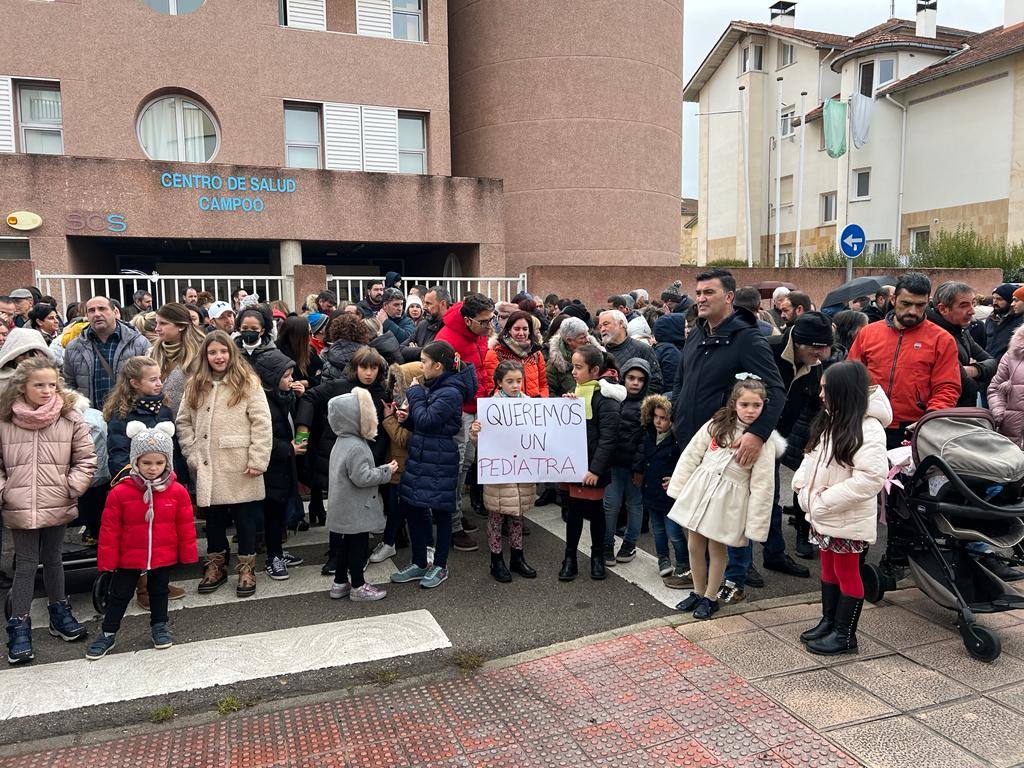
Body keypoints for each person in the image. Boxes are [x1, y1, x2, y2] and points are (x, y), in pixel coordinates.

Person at [671, 270, 785, 602]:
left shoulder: (747, 338)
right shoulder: (696, 334)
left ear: (729, 297)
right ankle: (702, 586)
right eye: (698, 292)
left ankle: (732, 583)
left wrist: (758, 435)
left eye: (709, 292)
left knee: (728, 520)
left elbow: (775, 392)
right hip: (695, 441)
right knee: (699, 521)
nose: (701, 298)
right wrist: (676, 413)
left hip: (730, 447)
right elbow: (682, 380)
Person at [2, 357, 98, 664]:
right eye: (38, 385)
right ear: (22, 386)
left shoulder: (69, 416)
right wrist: (5, 491)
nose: (46, 391)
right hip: (20, 503)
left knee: (54, 559)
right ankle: (19, 625)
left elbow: (85, 458)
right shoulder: (6, 419)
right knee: (27, 564)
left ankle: (60, 611)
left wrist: (70, 487)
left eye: (51, 385)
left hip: (57, 499)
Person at [793, 361, 890, 655]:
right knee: (828, 566)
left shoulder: (869, 429)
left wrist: (823, 501)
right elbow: (810, 458)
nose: (821, 394)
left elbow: (871, 479)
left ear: (843, 391)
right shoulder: (832, 419)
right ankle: (829, 622)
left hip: (844, 515)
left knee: (848, 571)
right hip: (824, 513)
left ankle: (845, 635)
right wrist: (801, 487)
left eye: (826, 388)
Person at [85, 422, 197, 659]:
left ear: (168, 462)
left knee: (159, 591)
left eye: (159, 462)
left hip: (162, 553)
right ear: (135, 461)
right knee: (120, 594)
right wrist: (107, 561)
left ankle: (159, 625)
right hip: (129, 556)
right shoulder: (120, 492)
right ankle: (108, 632)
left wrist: (187, 553)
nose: (153, 468)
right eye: (146, 462)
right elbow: (109, 530)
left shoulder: (176, 491)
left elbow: (185, 525)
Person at [668, 378, 776, 620]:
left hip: (728, 500)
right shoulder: (716, 424)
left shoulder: (763, 441)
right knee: (694, 544)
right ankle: (697, 591)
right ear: (734, 403)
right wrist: (679, 487)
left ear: (764, 406)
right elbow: (692, 453)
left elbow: (763, 486)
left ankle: (711, 596)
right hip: (701, 490)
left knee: (717, 548)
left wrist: (756, 524)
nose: (750, 411)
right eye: (745, 404)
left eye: (756, 405)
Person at [176, 331, 272, 598]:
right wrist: (191, 451)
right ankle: (216, 564)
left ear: (231, 353)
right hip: (207, 462)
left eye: (223, 351)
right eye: (212, 352)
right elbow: (183, 421)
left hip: (240, 461)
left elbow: (262, 423)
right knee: (214, 518)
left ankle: (246, 567)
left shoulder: (247, 382)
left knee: (245, 519)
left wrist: (258, 459)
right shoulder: (195, 383)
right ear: (205, 356)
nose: (219, 357)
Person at [297, 346, 391, 574]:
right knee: (340, 506)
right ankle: (335, 554)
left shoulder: (382, 393)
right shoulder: (340, 386)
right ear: (355, 368)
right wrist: (303, 429)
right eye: (364, 367)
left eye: (374, 367)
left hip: (369, 457)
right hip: (338, 455)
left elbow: (383, 430)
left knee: (363, 506)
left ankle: (357, 554)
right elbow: (311, 397)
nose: (369, 373)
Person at [390, 341, 476, 590]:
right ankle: (419, 562)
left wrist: (414, 395)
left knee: (440, 510)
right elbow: (425, 421)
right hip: (422, 454)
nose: (421, 367)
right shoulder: (437, 386)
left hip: (439, 458)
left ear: (438, 366)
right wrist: (407, 421)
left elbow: (428, 420)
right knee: (414, 508)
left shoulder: (450, 391)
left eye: (424, 362)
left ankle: (440, 565)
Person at [848, 272, 960, 449]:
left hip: (913, 427)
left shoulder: (941, 339)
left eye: (920, 305)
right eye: (906, 304)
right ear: (893, 299)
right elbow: (850, 376)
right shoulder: (868, 333)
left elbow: (947, 387)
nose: (912, 311)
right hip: (867, 422)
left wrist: (929, 419)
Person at [763, 312, 835, 572]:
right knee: (744, 500)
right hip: (748, 437)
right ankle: (740, 564)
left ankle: (774, 554)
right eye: (817, 351)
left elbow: (817, 405)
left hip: (777, 440)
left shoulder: (814, 366)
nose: (820, 357)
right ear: (800, 343)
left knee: (770, 498)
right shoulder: (765, 351)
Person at [435, 293, 496, 553]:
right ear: (468, 320)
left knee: (467, 462)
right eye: (485, 322)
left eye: (491, 320)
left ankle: (456, 513)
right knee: (456, 466)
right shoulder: (446, 340)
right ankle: (451, 524)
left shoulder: (477, 333)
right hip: (459, 411)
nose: (490, 326)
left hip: (477, 407)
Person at [558, 344, 623, 582]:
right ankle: (570, 558)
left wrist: (595, 469)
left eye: (578, 367)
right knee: (573, 512)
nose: (573, 372)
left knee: (596, 513)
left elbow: (609, 438)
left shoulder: (606, 399)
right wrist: (566, 407)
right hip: (575, 466)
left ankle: (597, 557)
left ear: (595, 370)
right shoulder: (576, 393)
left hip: (594, 468)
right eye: (572, 366)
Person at [325, 389, 397, 601]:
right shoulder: (356, 445)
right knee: (357, 547)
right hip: (356, 508)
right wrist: (386, 471)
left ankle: (339, 583)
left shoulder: (342, 441)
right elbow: (362, 477)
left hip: (344, 505)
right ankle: (358, 585)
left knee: (344, 546)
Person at [470, 360, 539, 583]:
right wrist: (475, 431)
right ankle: (496, 560)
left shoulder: (530, 405)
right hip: (500, 474)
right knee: (497, 517)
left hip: (522, 473)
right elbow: (478, 442)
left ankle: (517, 558)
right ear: (499, 383)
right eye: (510, 381)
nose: (516, 385)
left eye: (519, 381)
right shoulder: (490, 407)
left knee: (518, 517)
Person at [252, 350, 307, 581]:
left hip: (284, 466)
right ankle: (272, 557)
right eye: (286, 376)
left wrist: (299, 397)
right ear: (272, 379)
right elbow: (260, 438)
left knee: (280, 510)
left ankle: (277, 552)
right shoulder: (263, 403)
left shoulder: (283, 397)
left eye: (291, 375)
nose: (291, 380)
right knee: (272, 513)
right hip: (271, 468)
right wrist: (288, 449)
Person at [635, 394, 689, 585]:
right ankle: (663, 558)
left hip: (669, 494)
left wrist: (676, 478)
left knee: (674, 531)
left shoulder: (676, 442)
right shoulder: (649, 434)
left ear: (672, 420)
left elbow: (685, 464)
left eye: (664, 418)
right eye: (656, 416)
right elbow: (643, 458)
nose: (658, 421)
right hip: (651, 491)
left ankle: (683, 563)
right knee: (658, 529)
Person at [602, 358, 650, 564]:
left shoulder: (648, 405)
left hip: (634, 468)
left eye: (640, 379)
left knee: (634, 505)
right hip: (613, 464)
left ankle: (629, 544)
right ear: (623, 378)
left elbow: (645, 442)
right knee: (610, 505)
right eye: (631, 378)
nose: (635, 383)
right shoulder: (614, 399)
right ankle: (606, 544)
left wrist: (639, 469)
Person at [62, 296, 151, 407]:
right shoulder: (74, 347)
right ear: (86, 316)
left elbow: (150, 382)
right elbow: (68, 386)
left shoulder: (139, 343)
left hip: (129, 415)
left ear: (115, 312)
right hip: (90, 419)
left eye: (102, 309)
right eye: (91, 311)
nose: (97, 314)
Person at [926, 281, 998, 408]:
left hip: (961, 409)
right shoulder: (931, 335)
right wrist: (973, 375)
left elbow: (992, 362)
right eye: (964, 306)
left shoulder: (961, 331)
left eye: (973, 303)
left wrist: (974, 369)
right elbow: (965, 383)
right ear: (943, 309)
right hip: (939, 412)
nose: (972, 311)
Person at [151, 302, 205, 415]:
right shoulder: (151, 353)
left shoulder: (202, 354)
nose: (157, 329)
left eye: (163, 323)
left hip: (190, 423)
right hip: (157, 424)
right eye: (157, 323)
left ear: (181, 326)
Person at [481, 311, 549, 399]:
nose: (521, 333)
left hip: (534, 408)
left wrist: (540, 402)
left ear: (529, 331)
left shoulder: (536, 354)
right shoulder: (496, 353)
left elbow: (543, 385)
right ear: (509, 330)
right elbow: (492, 387)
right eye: (517, 329)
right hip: (507, 408)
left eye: (525, 329)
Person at [597, 310, 662, 392]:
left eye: (606, 324)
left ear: (621, 324)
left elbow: (656, 384)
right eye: (600, 327)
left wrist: (634, 401)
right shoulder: (599, 353)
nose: (602, 329)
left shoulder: (643, 349)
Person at [546, 316, 602, 397]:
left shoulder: (597, 354)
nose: (587, 340)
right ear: (569, 340)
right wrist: (566, 400)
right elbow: (549, 392)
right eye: (582, 337)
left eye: (587, 335)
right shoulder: (555, 364)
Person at [320, 313, 371, 382]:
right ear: (362, 331)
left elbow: (325, 390)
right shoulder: (376, 358)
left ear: (334, 333)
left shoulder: (328, 364)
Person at [277, 316, 323, 390]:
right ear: (299, 336)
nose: (311, 337)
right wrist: (312, 380)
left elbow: (322, 374)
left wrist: (306, 382)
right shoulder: (280, 355)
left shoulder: (310, 350)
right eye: (309, 333)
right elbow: (291, 385)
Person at [986, 283, 1023, 362]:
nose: (994, 302)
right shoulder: (991, 319)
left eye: (999, 299)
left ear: (1010, 300)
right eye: (993, 298)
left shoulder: (1020, 321)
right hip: (989, 367)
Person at [652, 313, 686, 394]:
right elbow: (672, 386)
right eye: (684, 327)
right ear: (675, 329)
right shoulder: (670, 352)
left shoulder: (661, 348)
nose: (687, 330)